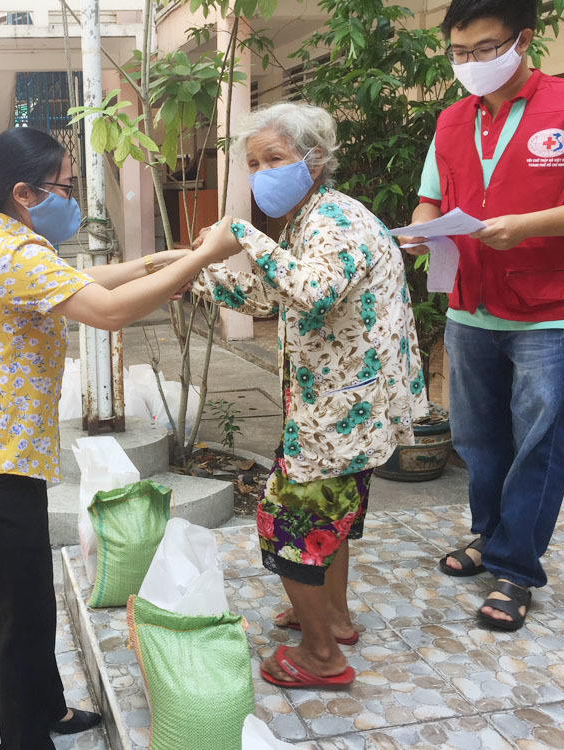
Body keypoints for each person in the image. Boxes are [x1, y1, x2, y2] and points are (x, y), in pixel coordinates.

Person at [0, 127, 226, 750]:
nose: (73, 199)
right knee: (23, 613)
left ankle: (51, 711)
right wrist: (203, 255)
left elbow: (96, 280)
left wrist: (162, 261)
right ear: (24, 193)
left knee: (32, 600)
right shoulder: (12, 253)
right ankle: (25, 739)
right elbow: (110, 311)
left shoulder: (6, 239)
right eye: (65, 187)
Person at [190, 101, 426, 689]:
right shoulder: (308, 219)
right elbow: (275, 297)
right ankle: (335, 618)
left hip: (341, 412)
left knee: (289, 525)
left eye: (275, 158)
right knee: (331, 521)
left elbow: (313, 291)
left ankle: (322, 657)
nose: (262, 172)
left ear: (314, 160)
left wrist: (238, 234)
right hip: (338, 408)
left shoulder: (333, 221)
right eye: (253, 162)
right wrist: (197, 273)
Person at [403, 0, 564, 631]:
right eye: (459, 54)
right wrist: (418, 233)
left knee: (538, 444)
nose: (471, 65)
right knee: (478, 441)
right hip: (471, 305)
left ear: (523, 40)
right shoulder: (452, 120)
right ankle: (488, 536)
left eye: (485, 49)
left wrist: (527, 227)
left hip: (549, 308)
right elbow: (431, 200)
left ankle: (516, 571)